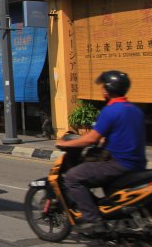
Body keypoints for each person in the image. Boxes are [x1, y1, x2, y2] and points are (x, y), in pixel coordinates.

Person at [56, 70, 146, 237]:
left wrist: (65, 143)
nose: (102, 90)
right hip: (138, 164)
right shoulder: (134, 109)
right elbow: (124, 133)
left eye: (103, 87)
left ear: (107, 89)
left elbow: (90, 138)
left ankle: (94, 222)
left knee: (72, 178)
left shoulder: (111, 110)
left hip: (119, 164)